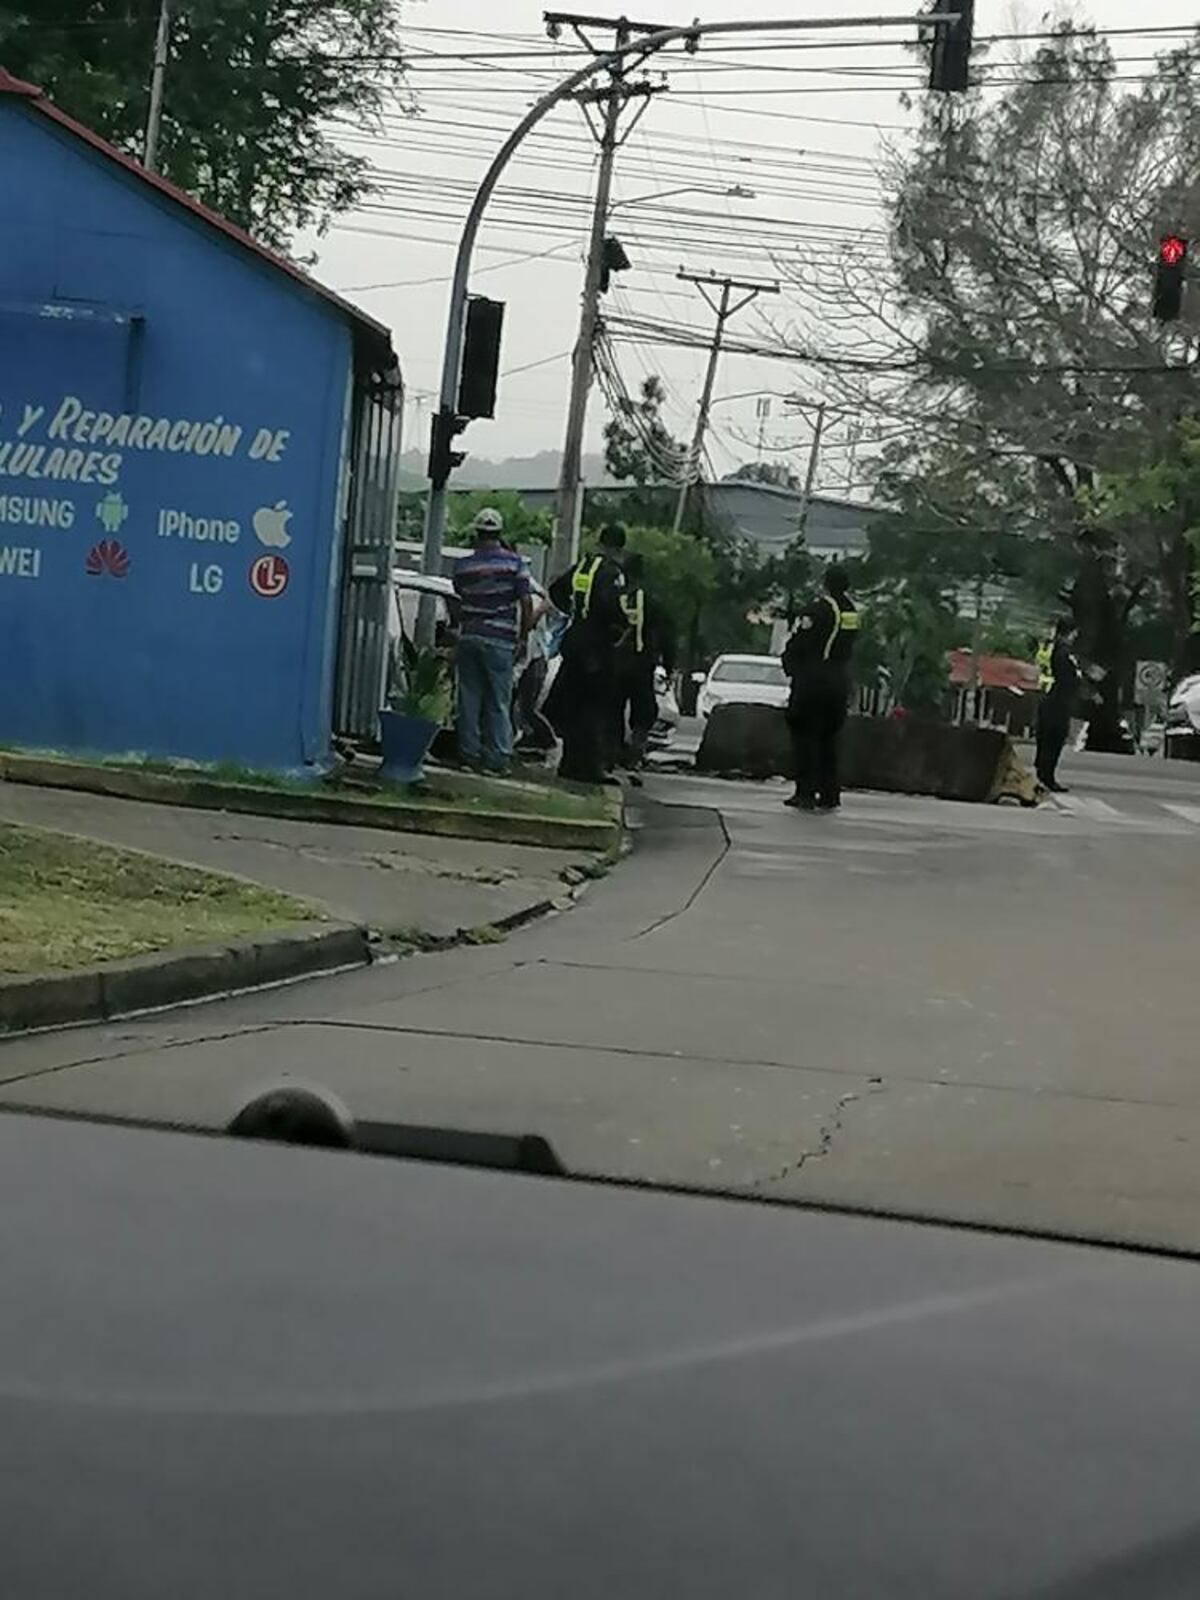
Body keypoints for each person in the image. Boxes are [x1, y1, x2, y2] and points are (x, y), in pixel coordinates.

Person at [452, 507, 532, 774]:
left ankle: (469, 755)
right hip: (500, 639)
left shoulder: (463, 567)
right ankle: (496, 759)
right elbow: (526, 601)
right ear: (499, 532)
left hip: (470, 636)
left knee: (469, 697)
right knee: (499, 700)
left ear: (477, 532)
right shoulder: (515, 564)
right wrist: (523, 636)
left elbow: (460, 595)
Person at [548, 522, 626, 783]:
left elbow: (556, 589)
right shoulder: (612, 572)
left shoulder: (584, 566)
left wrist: (573, 613)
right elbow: (611, 605)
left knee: (574, 706)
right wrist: (618, 627)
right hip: (597, 648)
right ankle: (591, 767)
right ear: (618, 548)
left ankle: (570, 764)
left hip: (574, 642)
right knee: (595, 709)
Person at [782, 563, 860, 813]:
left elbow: (799, 641)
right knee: (828, 740)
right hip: (839, 681)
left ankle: (804, 793)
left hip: (812, 682)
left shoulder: (817, 610)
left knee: (805, 737)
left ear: (825, 583)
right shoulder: (851, 612)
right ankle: (829, 793)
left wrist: (790, 664)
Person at [611, 552, 674, 768]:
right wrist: (668, 666)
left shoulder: (615, 597)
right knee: (644, 710)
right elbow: (667, 636)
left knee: (613, 708)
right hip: (641, 665)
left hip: (614, 663)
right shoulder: (651, 602)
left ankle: (614, 750)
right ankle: (636, 751)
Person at [1035, 618, 1080, 792]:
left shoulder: (1051, 649)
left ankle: (1044, 774)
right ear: (1069, 632)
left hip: (1050, 698)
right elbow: (1067, 677)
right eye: (1074, 632)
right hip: (1057, 701)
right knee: (1053, 739)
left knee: (1048, 739)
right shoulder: (1063, 653)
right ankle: (1046, 776)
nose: (1076, 636)